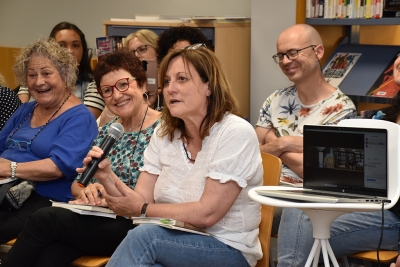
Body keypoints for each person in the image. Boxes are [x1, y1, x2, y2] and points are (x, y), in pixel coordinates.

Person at [83, 44, 263, 267]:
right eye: (167, 81)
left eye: (182, 79)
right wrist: (107, 177)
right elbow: (140, 200)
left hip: (227, 248)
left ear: (209, 86)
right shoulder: (164, 133)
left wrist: (143, 210)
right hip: (173, 242)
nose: (170, 89)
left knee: (145, 236)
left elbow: (207, 214)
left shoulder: (235, 132)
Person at [1, 49, 161, 267]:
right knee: (48, 256)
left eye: (123, 85)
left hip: (135, 223)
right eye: (107, 90)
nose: (116, 95)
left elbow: (148, 198)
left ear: (142, 84)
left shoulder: (164, 131)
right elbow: (78, 183)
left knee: (45, 218)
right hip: (98, 215)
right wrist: (86, 191)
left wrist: (107, 195)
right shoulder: (108, 131)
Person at [276, 40, 400, 267]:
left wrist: (279, 147)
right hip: (364, 201)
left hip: (393, 219)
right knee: (297, 203)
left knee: (303, 236)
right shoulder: (382, 117)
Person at [0, 38, 98, 244]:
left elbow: (57, 167)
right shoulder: (26, 109)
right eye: (32, 75)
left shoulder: (79, 117)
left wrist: (11, 169)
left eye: (46, 73)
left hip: (41, 198)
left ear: (65, 74)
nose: (38, 82)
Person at [255, 24, 356, 186]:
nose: (286, 61)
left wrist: (275, 143)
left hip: (307, 198)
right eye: (281, 55)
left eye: (293, 53)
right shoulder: (275, 99)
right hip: (264, 188)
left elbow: (322, 171)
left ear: (318, 52)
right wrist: (285, 144)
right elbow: (252, 154)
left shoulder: (342, 109)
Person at [17, 21, 105, 119]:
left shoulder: (95, 84)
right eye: (62, 45)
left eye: (75, 45)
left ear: (83, 49)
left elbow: (84, 121)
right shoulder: (33, 80)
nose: (69, 51)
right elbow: (20, 118)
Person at [98, 29, 159, 126]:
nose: (137, 55)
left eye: (142, 49)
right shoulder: (115, 85)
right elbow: (104, 126)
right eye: (132, 52)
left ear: (157, 50)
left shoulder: (169, 81)